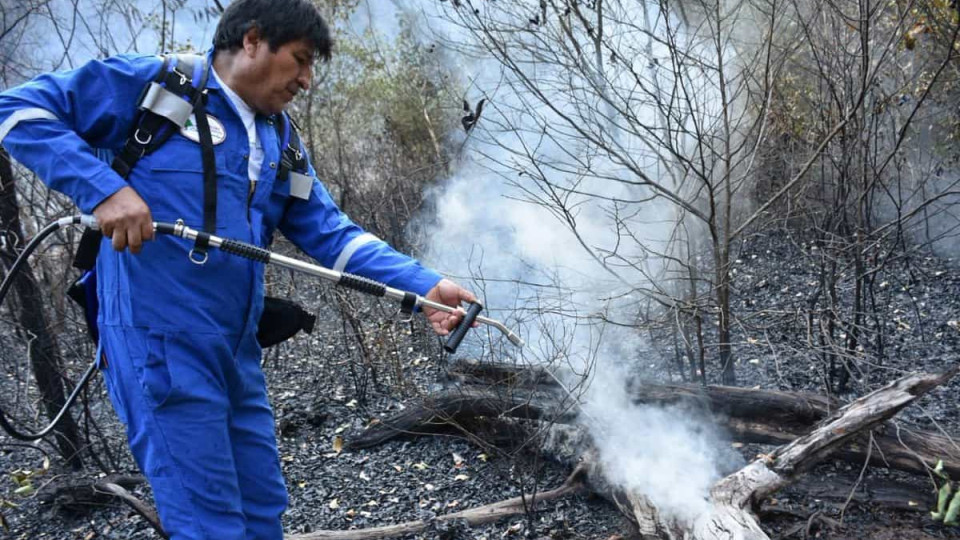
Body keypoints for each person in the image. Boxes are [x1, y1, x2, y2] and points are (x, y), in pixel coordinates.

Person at [0, 1, 476, 538]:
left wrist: (424, 287)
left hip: (236, 347)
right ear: (252, 40)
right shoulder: (158, 87)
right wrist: (105, 189)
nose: (306, 80)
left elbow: (330, 232)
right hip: (160, 345)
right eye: (299, 60)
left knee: (262, 505)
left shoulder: (280, 140)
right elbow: (17, 110)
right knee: (210, 521)